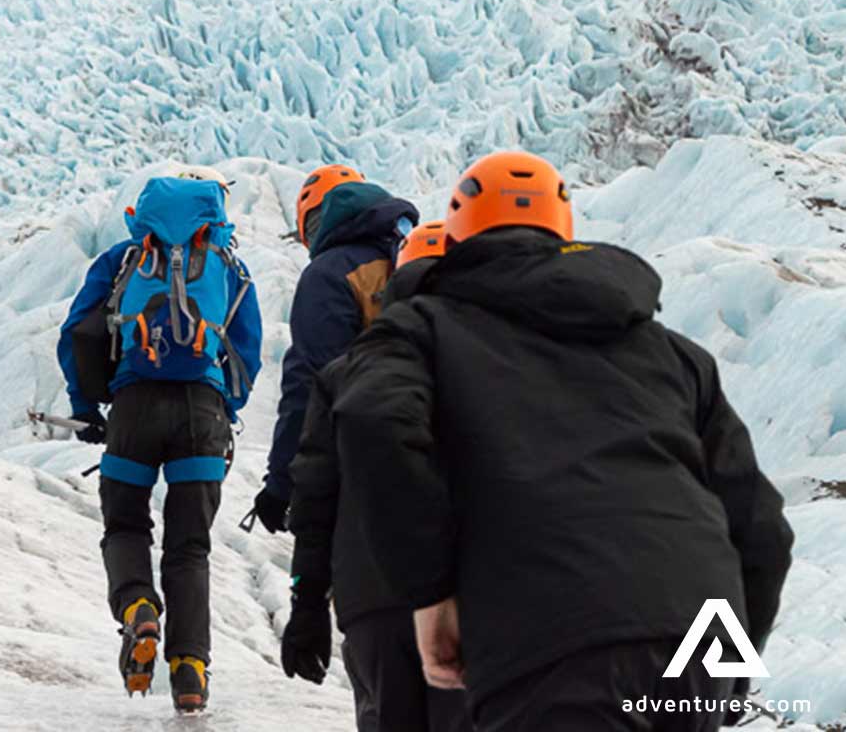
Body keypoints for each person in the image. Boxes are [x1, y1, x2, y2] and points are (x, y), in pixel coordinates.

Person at [328, 150, 794, 731]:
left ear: (453, 237)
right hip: (699, 633)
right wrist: (729, 662)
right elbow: (762, 527)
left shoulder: (420, 329)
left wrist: (429, 590)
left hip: (554, 639)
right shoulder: (671, 351)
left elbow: (373, 418)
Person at [57, 166, 263, 714]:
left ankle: (138, 609)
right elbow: (248, 350)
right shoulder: (229, 266)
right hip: (201, 412)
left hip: (134, 408)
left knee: (125, 525)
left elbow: (77, 331)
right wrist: (225, 407)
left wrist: (87, 407)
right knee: (189, 546)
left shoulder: (124, 259)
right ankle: (189, 668)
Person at [281, 219, 471, 732]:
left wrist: (307, 602)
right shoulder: (498, 369)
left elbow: (315, 497)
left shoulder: (347, 373)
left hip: (373, 599)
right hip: (472, 597)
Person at [250, 164, 418, 533]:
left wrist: (281, 484)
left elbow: (310, 382)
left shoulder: (329, 272)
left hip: (362, 464)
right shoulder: (417, 255)